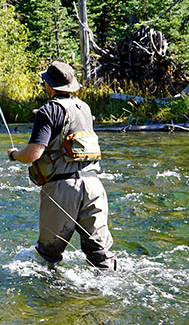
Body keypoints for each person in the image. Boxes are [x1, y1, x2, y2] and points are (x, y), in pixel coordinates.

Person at [7, 61, 116, 271]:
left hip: (62, 190)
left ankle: (50, 301)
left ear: (49, 86)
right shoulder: (84, 108)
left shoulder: (47, 112)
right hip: (94, 187)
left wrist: (14, 155)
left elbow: (32, 155)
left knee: (47, 257)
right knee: (100, 256)